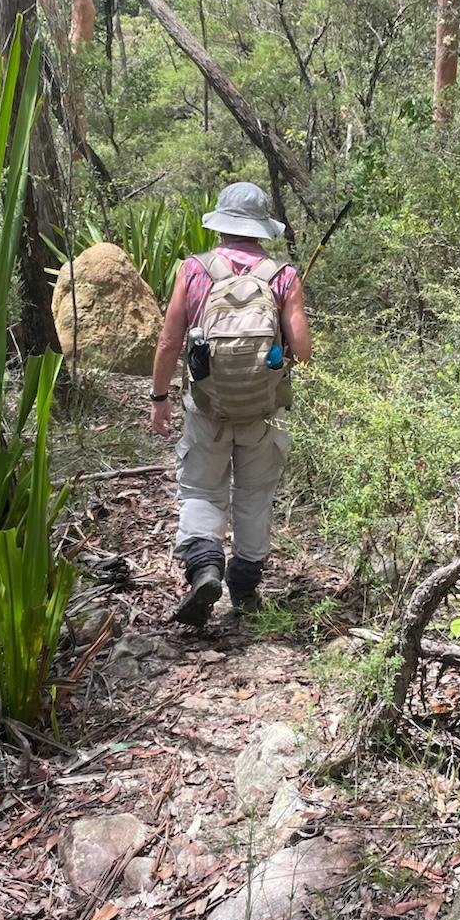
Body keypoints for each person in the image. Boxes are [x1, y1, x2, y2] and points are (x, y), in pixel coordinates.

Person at [150, 182, 312, 626]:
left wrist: (160, 398)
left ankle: (204, 567)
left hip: (208, 407)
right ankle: (244, 588)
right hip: (264, 411)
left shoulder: (193, 270)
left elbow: (169, 342)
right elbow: (302, 350)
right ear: (261, 229)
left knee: (202, 489)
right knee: (255, 494)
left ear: (220, 224)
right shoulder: (282, 275)